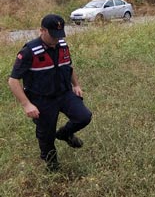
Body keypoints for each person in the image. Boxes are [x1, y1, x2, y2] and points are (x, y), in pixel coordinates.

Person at [8, 14, 93, 171]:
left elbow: (69, 66)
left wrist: (76, 85)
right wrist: (27, 104)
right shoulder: (29, 51)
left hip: (64, 93)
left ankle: (64, 134)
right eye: (53, 35)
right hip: (42, 99)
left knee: (84, 117)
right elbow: (13, 81)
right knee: (46, 136)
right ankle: (52, 166)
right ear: (42, 31)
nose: (56, 39)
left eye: (59, 35)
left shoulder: (62, 45)